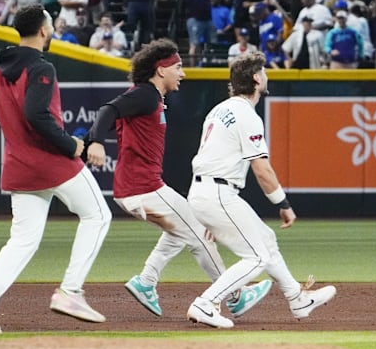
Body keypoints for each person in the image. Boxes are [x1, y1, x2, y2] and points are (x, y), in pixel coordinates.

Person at [83, 38, 271, 318]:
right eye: (178, 67)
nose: (183, 73)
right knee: (200, 235)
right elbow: (107, 111)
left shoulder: (148, 98)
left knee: (181, 229)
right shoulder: (145, 94)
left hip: (138, 188)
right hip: (142, 188)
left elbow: (112, 120)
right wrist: (96, 141)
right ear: (161, 70)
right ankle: (235, 296)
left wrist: (86, 142)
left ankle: (146, 281)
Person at [0, 5, 112, 335]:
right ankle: (71, 292)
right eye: (51, 25)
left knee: (24, 239)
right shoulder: (41, 67)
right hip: (51, 162)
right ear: (44, 31)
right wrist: (71, 145)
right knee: (98, 216)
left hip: (19, 165)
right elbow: (36, 114)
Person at [186, 51, 337, 328]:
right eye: (264, 72)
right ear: (256, 78)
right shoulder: (246, 114)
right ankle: (205, 303)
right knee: (257, 257)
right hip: (217, 193)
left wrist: (211, 213)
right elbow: (262, 169)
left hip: (206, 191)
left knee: (265, 240)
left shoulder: (218, 109)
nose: (266, 75)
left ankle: (297, 298)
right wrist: (283, 204)